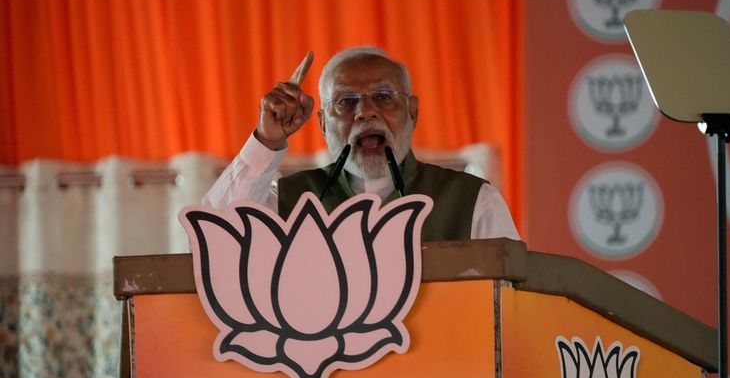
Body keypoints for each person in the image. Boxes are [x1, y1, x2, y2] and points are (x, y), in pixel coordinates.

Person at [203, 46, 519, 241]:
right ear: (323, 123)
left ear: (412, 112)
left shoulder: (472, 201)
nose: (366, 112)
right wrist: (266, 140)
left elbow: (510, 309)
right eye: (346, 101)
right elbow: (212, 238)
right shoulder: (289, 201)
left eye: (383, 97)